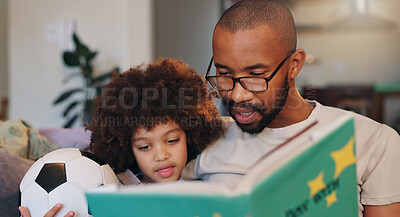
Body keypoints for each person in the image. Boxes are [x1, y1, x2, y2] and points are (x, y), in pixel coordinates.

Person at [182, 0, 400, 216]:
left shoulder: (373, 142)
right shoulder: (200, 139)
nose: (238, 95)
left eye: (257, 75)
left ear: (294, 64)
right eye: (224, 74)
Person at [19, 58, 225, 216]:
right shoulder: (113, 186)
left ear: (190, 135)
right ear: (127, 148)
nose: (161, 155)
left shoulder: (203, 180)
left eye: (171, 141)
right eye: (144, 147)